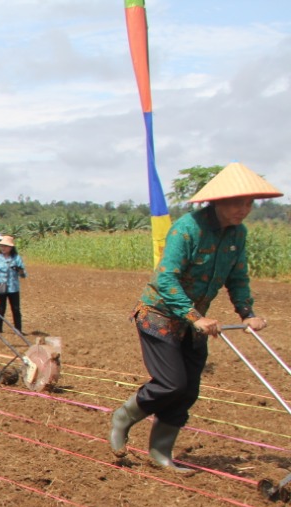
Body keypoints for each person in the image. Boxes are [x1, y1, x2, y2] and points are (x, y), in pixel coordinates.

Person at [109, 162, 281, 473]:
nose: (244, 209)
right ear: (218, 201)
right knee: (171, 383)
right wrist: (194, 315)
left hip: (194, 323)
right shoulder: (187, 229)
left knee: (188, 390)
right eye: (237, 202)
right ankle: (123, 416)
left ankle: (160, 452)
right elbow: (166, 279)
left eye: (249, 203)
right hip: (160, 315)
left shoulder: (237, 234)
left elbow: (238, 277)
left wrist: (248, 314)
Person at [0, 235, 27, 332]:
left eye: (5, 246)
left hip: (13, 287)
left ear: (11, 247)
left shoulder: (17, 258)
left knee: (16, 309)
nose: (3, 248)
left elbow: (23, 274)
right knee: (1, 308)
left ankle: (18, 330)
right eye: (2, 246)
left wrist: (19, 270)